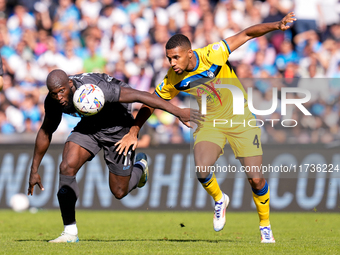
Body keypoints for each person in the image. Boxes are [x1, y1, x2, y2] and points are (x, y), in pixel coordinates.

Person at [117, 13, 297, 243]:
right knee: (202, 170)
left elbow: (247, 34)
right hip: (209, 123)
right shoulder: (173, 78)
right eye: (168, 58)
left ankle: (265, 226)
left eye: (175, 58)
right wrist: (134, 130)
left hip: (240, 119)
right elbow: (151, 102)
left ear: (189, 54)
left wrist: (277, 25)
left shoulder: (214, 53)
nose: (172, 63)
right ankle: (220, 199)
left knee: (256, 179)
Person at [27, 69, 201, 243]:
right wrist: (34, 169)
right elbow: (46, 131)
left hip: (119, 126)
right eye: (54, 93)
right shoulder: (53, 102)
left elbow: (141, 96)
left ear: (70, 84)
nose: (59, 97)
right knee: (67, 166)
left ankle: (140, 166)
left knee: (119, 191)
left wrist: (178, 111)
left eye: (61, 91)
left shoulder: (99, 89)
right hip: (91, 126)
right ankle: (70, 232)